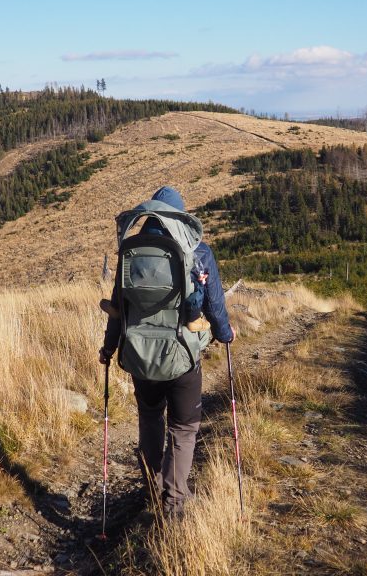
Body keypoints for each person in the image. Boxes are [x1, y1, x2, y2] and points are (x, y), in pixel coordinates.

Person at [99, 185, 235, 516]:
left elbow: (120, 309)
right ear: (180, 218)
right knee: (184, 427)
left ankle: (152, 489)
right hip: (182, 356)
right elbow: (215, 305)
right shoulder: (198, 252)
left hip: (139, 356)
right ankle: (174, 505)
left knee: (149, 419)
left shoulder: (131, 254)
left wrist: (108, 347)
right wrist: (224, 334)